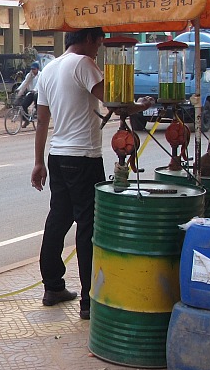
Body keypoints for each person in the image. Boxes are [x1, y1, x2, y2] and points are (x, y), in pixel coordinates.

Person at [31, 28, 154, 320]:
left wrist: (39, 162)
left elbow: (42, 122)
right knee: (88, 226)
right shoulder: (84, 64)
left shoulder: (50, 69)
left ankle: (53, 286)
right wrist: (142, 106)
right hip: (83, 157)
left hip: (58, 156)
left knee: (58, 220)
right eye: (99, 43)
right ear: (87, 39)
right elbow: (113, 100)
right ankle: (89, 301)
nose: (99, 49)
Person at [14, 61, 40, 127]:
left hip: (39, 93)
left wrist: (35, 90)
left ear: (37, 69)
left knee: (36, 99)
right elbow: (25, 83)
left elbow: (39, 84)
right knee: (23, 105)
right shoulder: (29, 75)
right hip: (31, 92)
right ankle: (26, 120)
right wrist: (19, 89)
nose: (33, 70)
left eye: (34, 69)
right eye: (32, 69)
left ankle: (37, 112)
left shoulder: (41, 75)